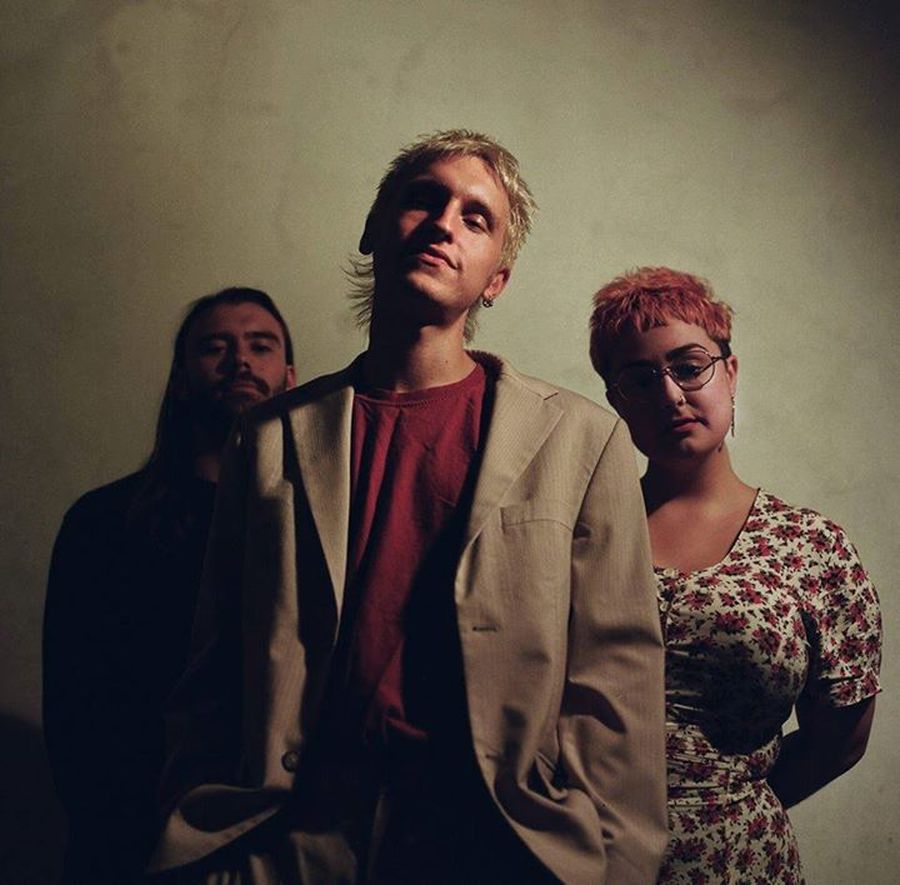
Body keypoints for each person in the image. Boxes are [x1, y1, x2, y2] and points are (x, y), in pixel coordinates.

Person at [151, 130, 668, 884]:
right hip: (292, 842)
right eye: (423, 199)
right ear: (374, 228)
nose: (443, 224)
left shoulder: (580, 439)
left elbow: (616, 681)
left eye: (475, 217)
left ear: (497, 279)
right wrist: (201, 849)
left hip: (488, 844)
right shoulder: (268, 436)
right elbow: (215, 665)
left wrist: (613, 870)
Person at [588, 267, 882, 883]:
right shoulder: (580, 534)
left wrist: (726, 812)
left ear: (730, 372)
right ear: (617, 402)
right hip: (582, 857)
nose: (670, 395)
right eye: (639, 379)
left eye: (689, 366)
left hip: (740, 861)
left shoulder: (811, 547)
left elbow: (840, 739)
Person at [43, 287, 296, 884]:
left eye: (260, 346)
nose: (240, 361)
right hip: (132, 837)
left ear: (290, 377)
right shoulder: (105, 521)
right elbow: (76, 705)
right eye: (216, 347)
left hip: (279, 841)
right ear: (180, 379)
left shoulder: (313, 527)